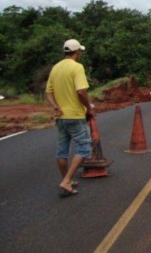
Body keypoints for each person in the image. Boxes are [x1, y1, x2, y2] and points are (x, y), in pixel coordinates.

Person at [45, 39, 95, 198]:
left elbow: (48, 92)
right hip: (75, 115)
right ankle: (67, 180)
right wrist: (88, 108)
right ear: (77, 52)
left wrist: (55, 106)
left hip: (61, 117)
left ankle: (66, 179)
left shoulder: (56, 68)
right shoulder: (77, 67)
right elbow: (81, 92)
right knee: (84, 148)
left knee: (62, 151)